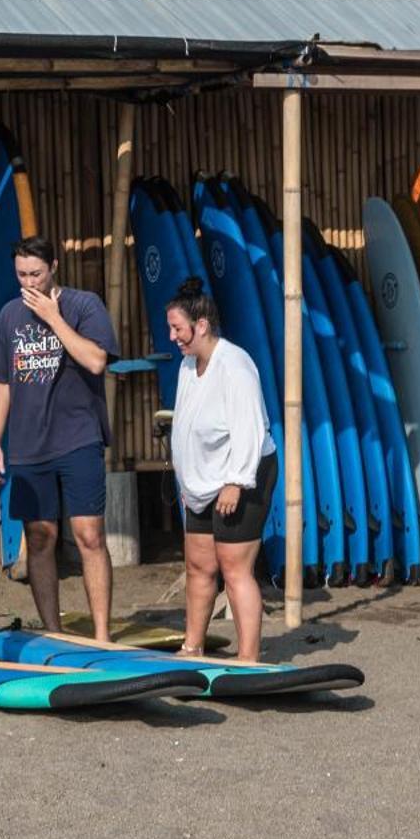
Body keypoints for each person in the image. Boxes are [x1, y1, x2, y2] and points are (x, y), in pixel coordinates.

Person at [0, 236, 119, 640]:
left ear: (54, 267)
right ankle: (53, 633)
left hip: (78, 437)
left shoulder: (83, 305)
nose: (29, 283)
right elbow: (0, 381)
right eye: (22, 275)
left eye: (36, 274)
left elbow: (97, 360)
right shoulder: (9, 317)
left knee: (89, 534)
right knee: (40, 538)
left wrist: (54, 317)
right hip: (28, 444)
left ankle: (101, 635)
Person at [167, 278, 278, 662]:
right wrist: (189, 480)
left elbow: (249, 428)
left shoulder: (235, 365)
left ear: (201, 326)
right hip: (201, 482)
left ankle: (248, 657)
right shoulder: (186, 365)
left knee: (234, 567)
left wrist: (235, 483)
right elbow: (186, 423)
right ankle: (192, 646)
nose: (172, 336)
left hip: (243, 475)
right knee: (198, 565)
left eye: (177, 328)